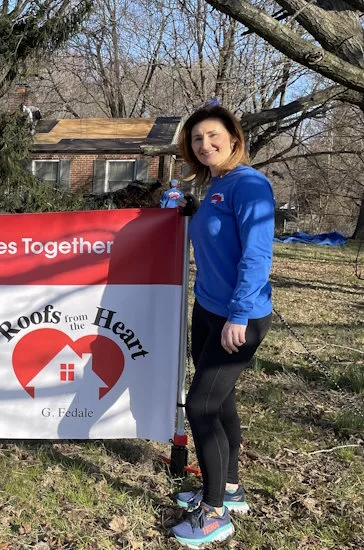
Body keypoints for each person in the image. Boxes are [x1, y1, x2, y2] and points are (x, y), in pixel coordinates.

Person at [170, 100, 274, 548]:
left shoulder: (249, 185)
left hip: (239, 317)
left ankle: (214, 513)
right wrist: (184, 208)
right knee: (221, 400)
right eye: (197, 139)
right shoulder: (214, 185)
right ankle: (229, 489)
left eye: (213, 136)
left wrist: (239, 314)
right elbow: (213, 228)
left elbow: (257, 254)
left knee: (201, 406)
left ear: (233, 139)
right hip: (208, 309)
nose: (205, 143)